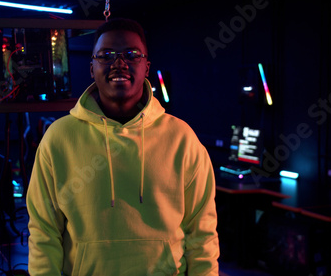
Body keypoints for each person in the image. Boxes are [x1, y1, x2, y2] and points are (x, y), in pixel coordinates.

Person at [27, 18, 220, 276]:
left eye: (131, 54)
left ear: (147, 66)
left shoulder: (182, 139)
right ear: (91, 67)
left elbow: (202, 234)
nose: (119, 63)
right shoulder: (59, 138)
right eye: (106, 55)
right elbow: (43, 231)